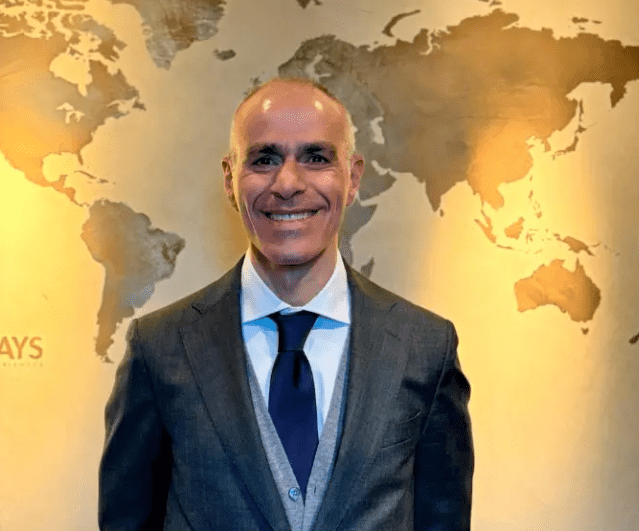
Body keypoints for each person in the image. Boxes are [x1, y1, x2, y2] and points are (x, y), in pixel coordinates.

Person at [99, 77, 473, 530]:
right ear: (230, 179)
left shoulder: (425, 348)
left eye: (316, 157)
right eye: (264, 159)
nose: (288, 183)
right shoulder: (159, 348)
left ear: (353, 177)